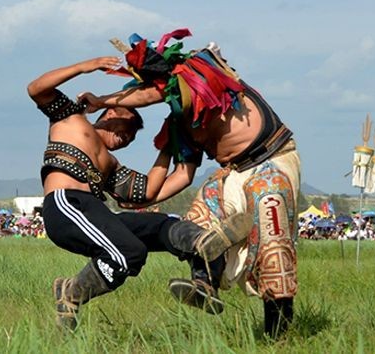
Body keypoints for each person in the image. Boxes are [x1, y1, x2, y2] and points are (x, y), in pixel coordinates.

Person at [78, 29, 301, 337]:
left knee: (271, 244)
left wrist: (100, 99)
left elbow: (156, 92)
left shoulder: (200, 71)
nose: (129, 134)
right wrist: (145, 200)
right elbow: (184, 174)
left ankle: (278, 336)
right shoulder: (182, 119)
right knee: (199, 217)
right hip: (233, 172)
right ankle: (204, 284)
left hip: (270, 161)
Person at [28, 55, 248, 330]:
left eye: (133, 136)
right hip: (66, 205)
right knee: (127, 253)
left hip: (92, 210)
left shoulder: (107, 166)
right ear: (112, 112)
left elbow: (150, 191)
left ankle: (200, 246)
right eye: (129, 125)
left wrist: (171, 145)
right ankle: (70, 293)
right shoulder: (71, 120)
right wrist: (84, 67)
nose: (129, 137)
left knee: (159, 224)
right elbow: (37, 89)